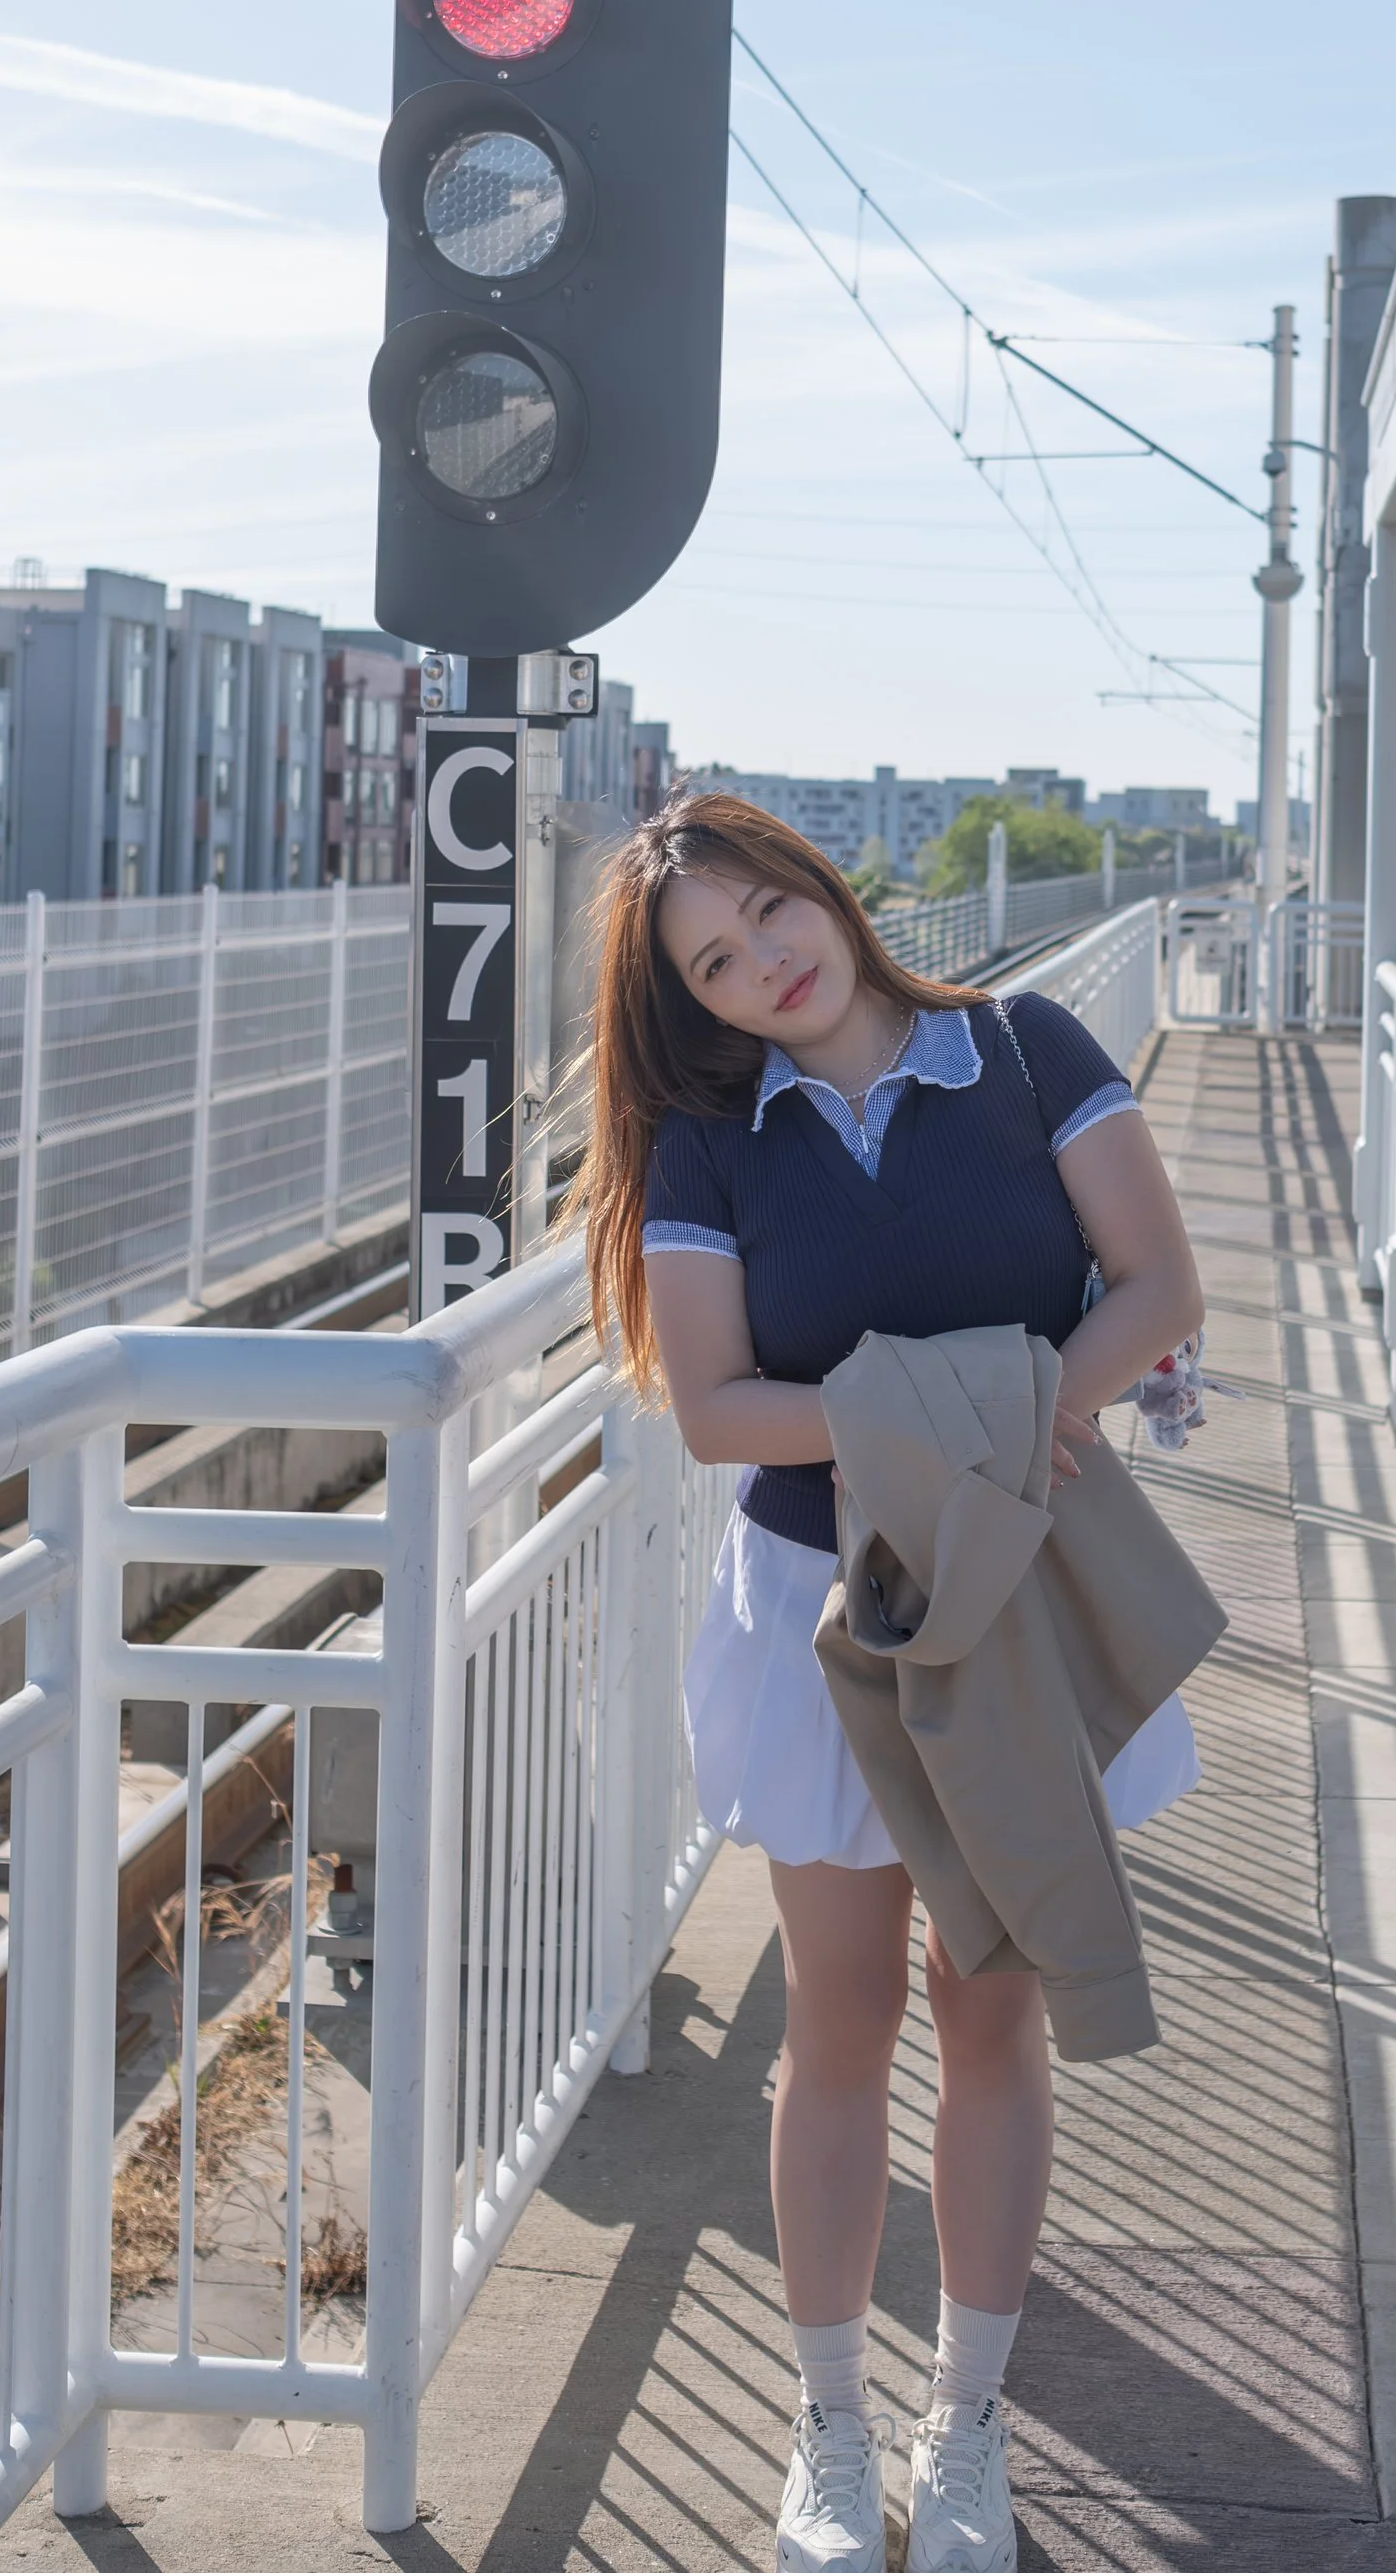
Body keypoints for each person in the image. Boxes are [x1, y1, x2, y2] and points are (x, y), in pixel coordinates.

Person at [571, 788, 1208, 2573]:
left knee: (991, 2009)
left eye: (767, 911)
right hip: (826, 1610)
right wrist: (944, 1425)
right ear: (692, 1002)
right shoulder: (713, 1141)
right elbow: (713, 1408)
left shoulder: (1020, 1047)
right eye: (712, 961)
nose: (760, 961)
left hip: (1022, 1580)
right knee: (836, 2024)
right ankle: (831, 2428)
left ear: (822, 887)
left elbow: (1158, 1280)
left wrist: (1015, 1429)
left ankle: (973, 2426)